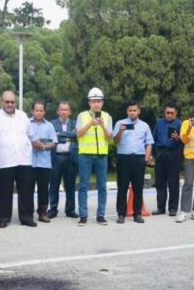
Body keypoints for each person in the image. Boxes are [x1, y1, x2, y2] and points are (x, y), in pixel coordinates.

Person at [0, 91, 34, 228]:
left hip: (24, 159)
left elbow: (29, 134)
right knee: (4, 191)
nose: (10, 104)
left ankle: (27, 217)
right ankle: (3, 218)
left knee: (26, 190)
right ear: (2, 102)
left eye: (12, 102)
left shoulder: (23, 116)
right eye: (7, 102)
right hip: (3, 160)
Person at [76, 87, 113, 226]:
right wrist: (91, 123)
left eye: (99, 101)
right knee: (83, 186)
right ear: (89, 103)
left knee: (102, 186)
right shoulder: (82, 116)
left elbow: (110, 137)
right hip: (85, 155)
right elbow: (78, 133)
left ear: (102, 102)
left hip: (101, 156)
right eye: (93, 101)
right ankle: (83, 215)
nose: (96, 104)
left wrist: (103, 126)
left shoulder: (107, 116)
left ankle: (101, 215)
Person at [113, 100, 154, 224]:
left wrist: (147, 156)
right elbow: (115, 141)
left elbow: (149, 142)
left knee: (138, 187)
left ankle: (137, 214)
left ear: (139, 111)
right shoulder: (120, 123)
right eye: (130, 110)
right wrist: (121, 131)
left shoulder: (144, 125)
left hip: (138, 158)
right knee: (122, 187)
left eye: (134, 110)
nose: (132, 112)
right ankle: (121, 214)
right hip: (123, 158)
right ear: (127, 111)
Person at [48, 101, 78, 218]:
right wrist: (69, 136)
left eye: (66, 109)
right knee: (54, 184)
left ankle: (70, 210)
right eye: (62, 109)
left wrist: (60, 134)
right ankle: (53, 210)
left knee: (70, 185)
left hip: (70, 158)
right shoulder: (51, 124)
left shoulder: (75, 124)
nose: (64, 112)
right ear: (58, 111)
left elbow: (77, 136)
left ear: (70, 112)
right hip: (56, 157)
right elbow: (52, 138)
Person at [152, 103, 182, 216]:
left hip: (173, 153)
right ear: (164, 113)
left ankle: (173, 208)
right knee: (160, 182)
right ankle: (160, 208)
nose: (169, 115)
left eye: (172, 113)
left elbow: (184, 141)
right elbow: (154, 138)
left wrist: (178, 138)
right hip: (160, 153)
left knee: (173, 183)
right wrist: (152, 154)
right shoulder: (159, 123)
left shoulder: (179, 124)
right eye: (167, 113)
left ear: (176, 113)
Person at [29, 100, 56, 223]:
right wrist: (32, 143)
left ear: (44, 112)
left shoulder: (49, 126)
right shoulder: (26, 124)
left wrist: (43, 146)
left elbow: (53, 143)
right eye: (36, 110)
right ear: (32, 111)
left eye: (41, 110)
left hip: (44, 163)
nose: (39, 112)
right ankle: (28, 213)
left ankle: (43, 213)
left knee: (43, 190)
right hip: (28, 163)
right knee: (27, 189)